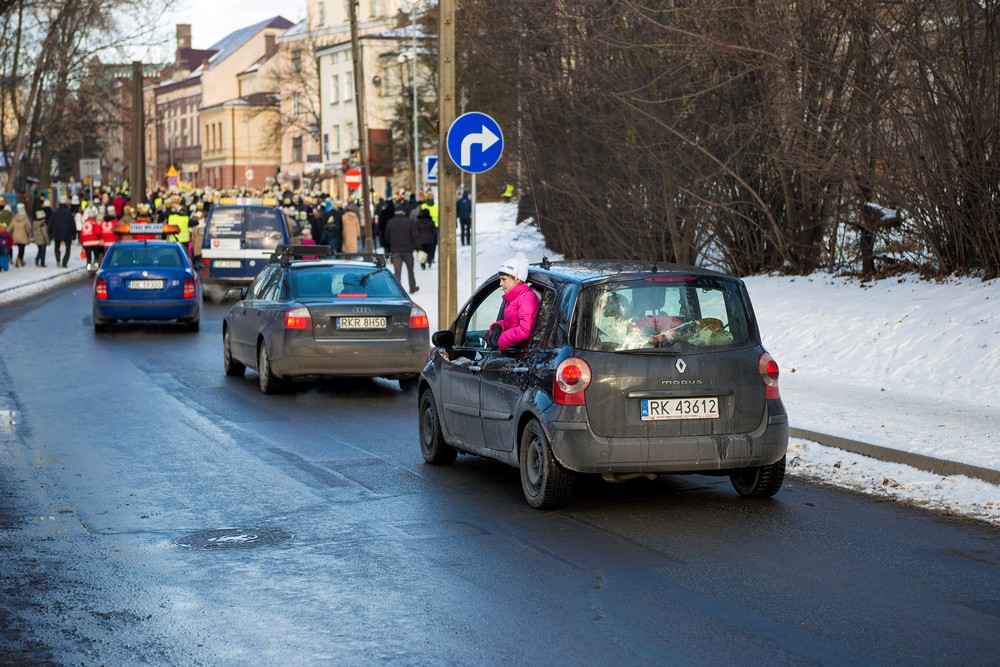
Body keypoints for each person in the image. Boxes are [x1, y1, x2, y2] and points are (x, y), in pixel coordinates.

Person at [487, 253, 539, 351]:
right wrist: (499, 326)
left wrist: (501, 340)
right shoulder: (513, 299)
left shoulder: (526, 299)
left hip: (523, 356)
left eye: (504, 279)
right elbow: (513, 323)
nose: (500, 284)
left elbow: (525, 330)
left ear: (517, 279)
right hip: (515, 353)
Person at [383, 204, 419, 294]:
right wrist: (417, 247)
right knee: (410, 271)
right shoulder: (409, 221)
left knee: (397, 272)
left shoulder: (390, 222)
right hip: (408, 250)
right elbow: (415, 235)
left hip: (395, 250)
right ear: (404, 212)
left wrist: (392, 244)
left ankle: (397, 290)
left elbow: (386, 236)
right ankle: (412, 287)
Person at [48, 200, 76, 267]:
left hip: (56, 233)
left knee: (57, 247)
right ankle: (64, 262)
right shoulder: (69, 213)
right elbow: (73, 224)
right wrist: (74, 234)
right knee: (68, 249)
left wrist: (50, 233)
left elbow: (50, 223)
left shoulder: (54, 213)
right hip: (67, 233)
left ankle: (58, 260)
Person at [8, 203, 32, 268]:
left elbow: (10, 226)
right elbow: (28, 227)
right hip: (23, 236)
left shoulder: (14, 218)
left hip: (15, 236)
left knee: (19, 248)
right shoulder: (25, 218)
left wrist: (5, 232)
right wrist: (28, 232)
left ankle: (21, 261)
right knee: (22, 249)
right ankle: (18, 259)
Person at [79, 206, 102, 271]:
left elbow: (81, 234)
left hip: (86, 243)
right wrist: (100, 237)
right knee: (96, 256)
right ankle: (95, 269)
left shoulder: (84, 224)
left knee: (88, 258)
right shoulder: (94, 223)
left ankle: (90, 270)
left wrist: (82, 242)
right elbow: (98, 232)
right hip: (95, 243)